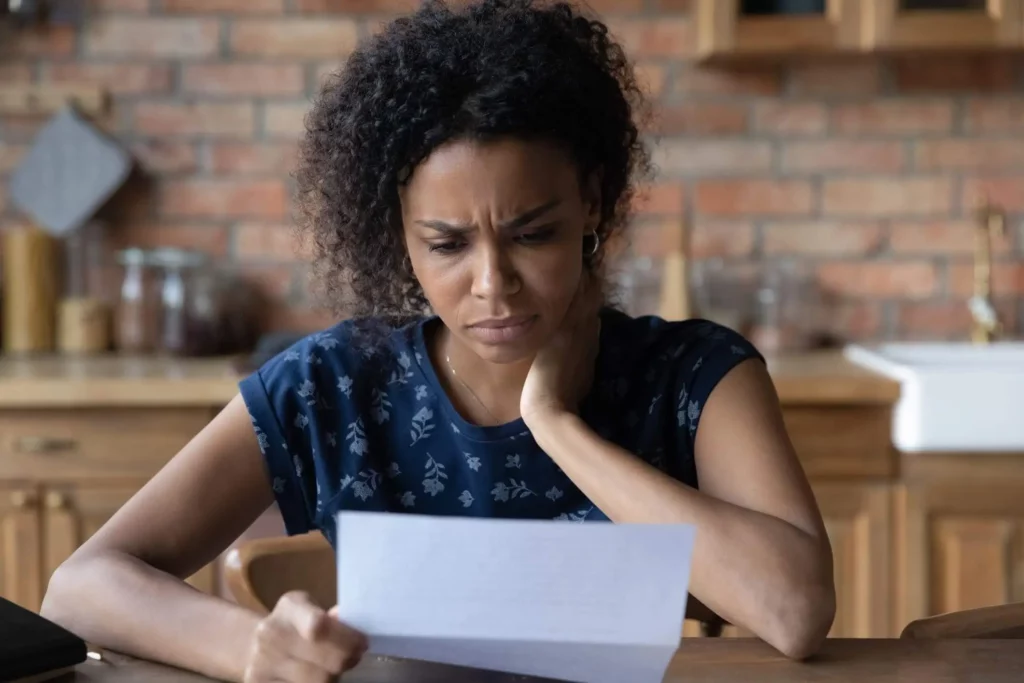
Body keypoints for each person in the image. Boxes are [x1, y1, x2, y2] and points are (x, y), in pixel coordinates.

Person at [41, 0, 836, 680]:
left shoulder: (696, 375)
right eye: (448, 244)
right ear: (400, 237)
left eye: (534, 233)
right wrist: (253, 645)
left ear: (593, 204)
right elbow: (81, 586)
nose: (492, 282)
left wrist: (557, 425)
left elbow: (795, 609)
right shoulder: (336, 383)